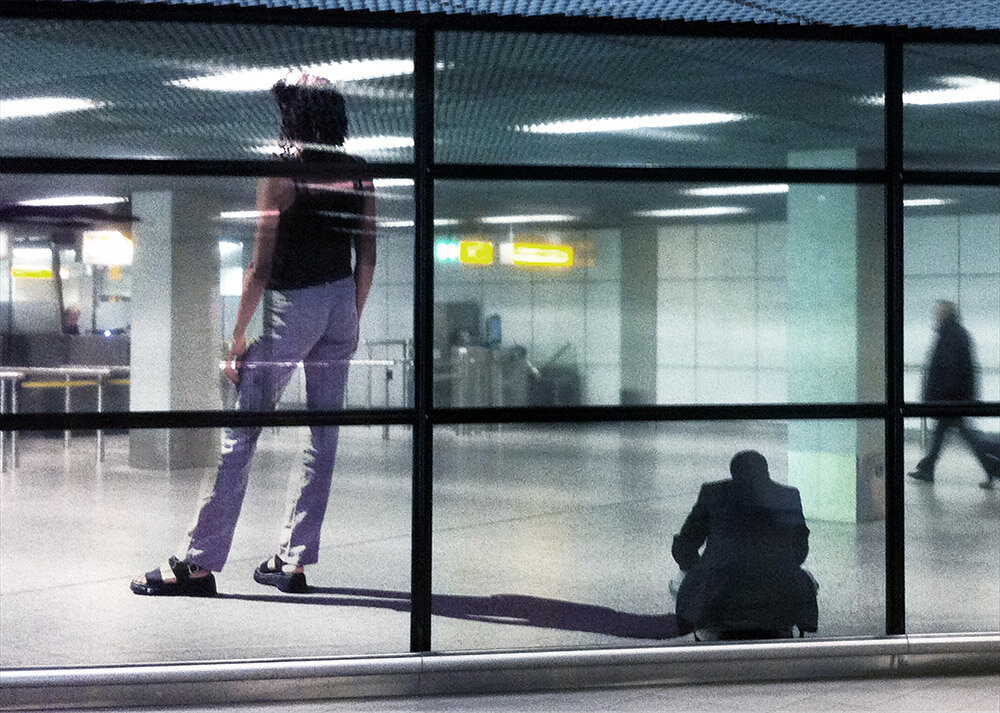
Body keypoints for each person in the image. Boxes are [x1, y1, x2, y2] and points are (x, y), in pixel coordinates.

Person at [132, 73, 376, 597]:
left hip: (293, 309)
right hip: (341, 303)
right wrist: (351, 319)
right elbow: (368, 258)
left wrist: (238, 336)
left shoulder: (280, 172)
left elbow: (260, 267)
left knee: (240, 434)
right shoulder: (358, 173)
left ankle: (198, 563)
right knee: (323, 437)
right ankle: (292, 561)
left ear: (292, 118)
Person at [671, 450, 818, 640]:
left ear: (733, 473)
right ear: (766, 472)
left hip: (717, 598)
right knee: (808, 580)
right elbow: (799, 551)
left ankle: (701, 629)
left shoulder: (713, 494)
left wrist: (702, 571)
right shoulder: (788, 496)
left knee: (678, 581)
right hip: (777, 599)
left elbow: (684, 547)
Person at [908, 300, 998, 489]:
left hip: (951, 399)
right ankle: (929, 468)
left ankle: (991, 468)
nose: (935, 315)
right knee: (948, 434)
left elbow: (949, 370)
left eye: (938, 312)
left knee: (963, 436)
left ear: (946, 314)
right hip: (953, 399)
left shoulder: (951, 336)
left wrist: (942, 398)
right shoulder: (954, 334)